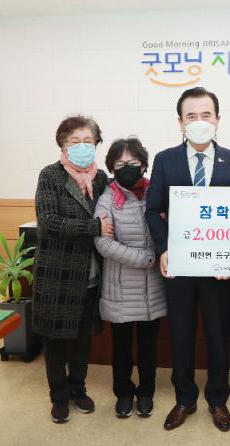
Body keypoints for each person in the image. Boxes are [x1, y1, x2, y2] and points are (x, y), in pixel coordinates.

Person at [145, 86, 230, 432]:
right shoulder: (165, 160)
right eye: (192, 116)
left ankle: (218, 399)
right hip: (180, 268)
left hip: (219, 269)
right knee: (181, 334)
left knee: (219, 335)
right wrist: (164, 248)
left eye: (206, 114)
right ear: (180, 122)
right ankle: (185, 398)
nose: (199, 121)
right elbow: (153, 210)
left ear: (217, 119)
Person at [33, 115, 112, 424]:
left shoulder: (101, 178)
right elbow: (48, 221)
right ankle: (59, 396)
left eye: (88, 141)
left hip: (90, 273)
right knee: (54, 340)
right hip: (58, 273)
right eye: (75, 141)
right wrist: (93, 227)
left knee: (82, 339)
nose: (82, 147)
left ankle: (79, 389)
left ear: (96, 144)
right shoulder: (50, 175)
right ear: (63, 145)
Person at [94, 138, 166, 419]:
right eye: (121, 163)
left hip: (152, 288)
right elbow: (103, 243)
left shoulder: (155, 194)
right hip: (121, 288)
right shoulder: (107, 199)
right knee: (121, 346)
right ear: (112, 167)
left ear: (144, 165)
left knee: (149, 345)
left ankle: (146, 392)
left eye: (133, 163)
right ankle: (123, 393)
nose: (127, 168)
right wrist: (145, 258)